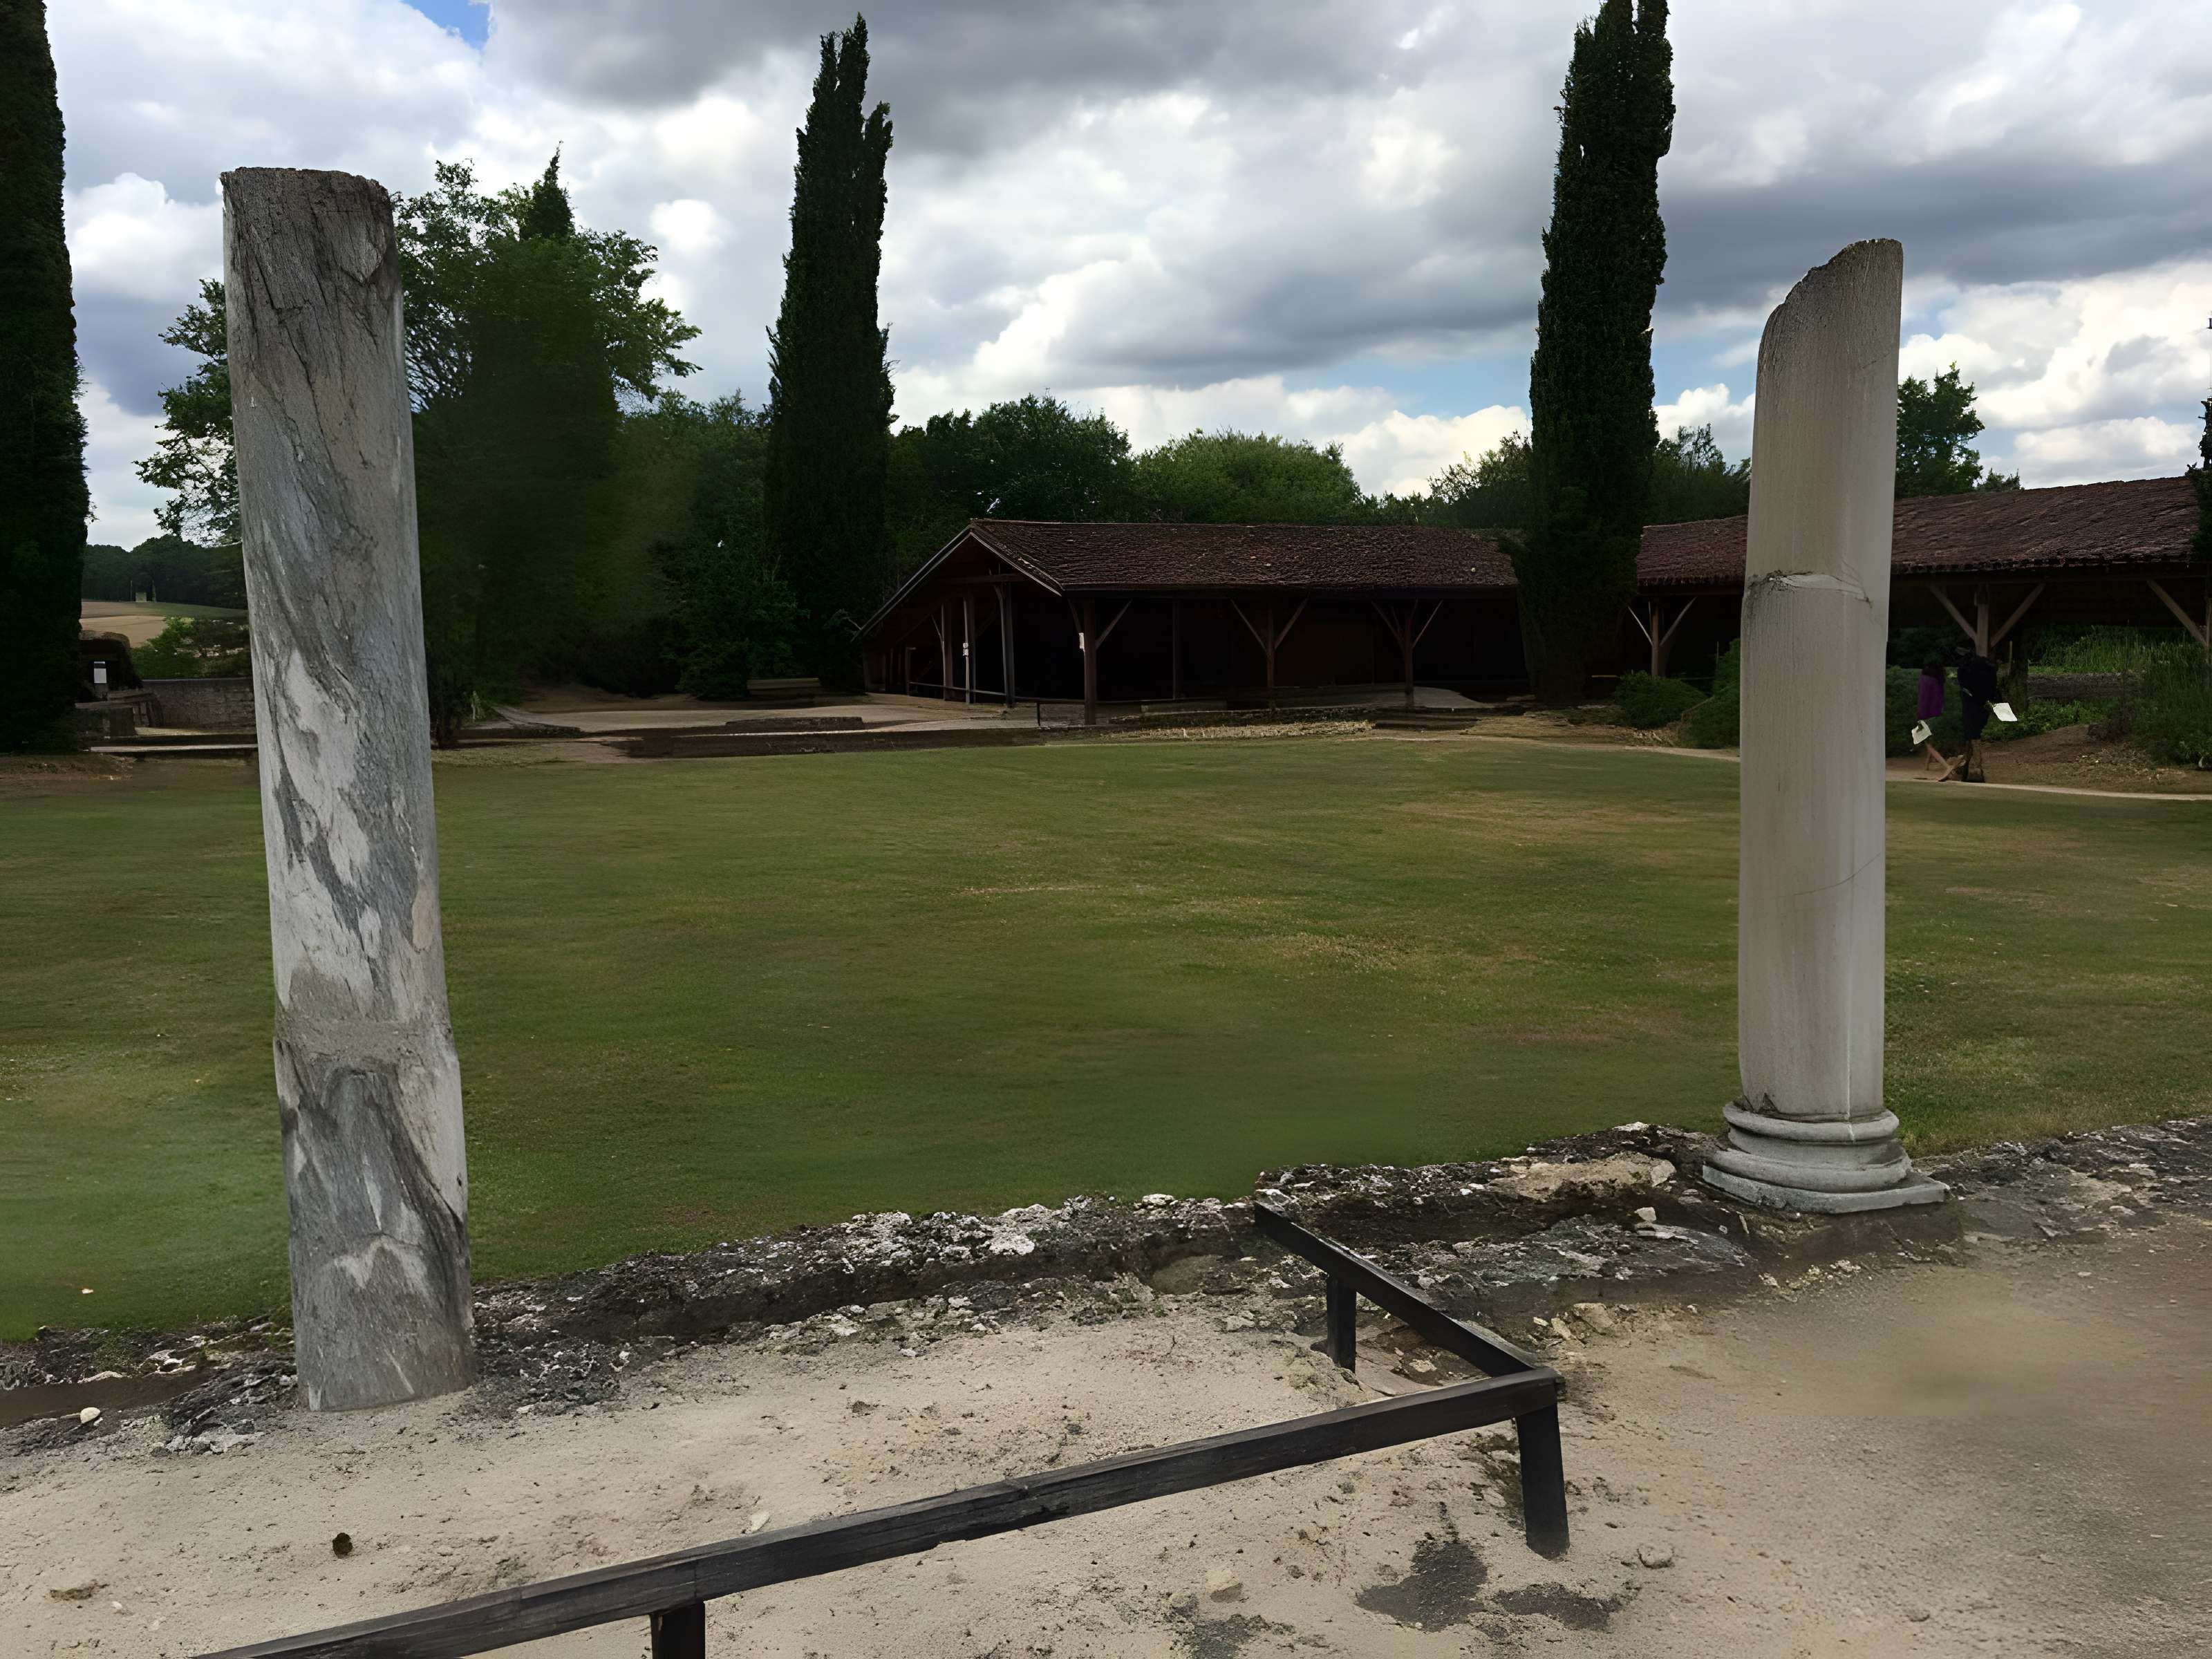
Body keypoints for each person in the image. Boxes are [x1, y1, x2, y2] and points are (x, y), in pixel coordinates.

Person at [1955, 650, 1999, 782]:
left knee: (1973, 738)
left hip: (1972, 709)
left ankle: (1973, 771)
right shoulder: (1988, 672)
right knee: (1976, 738)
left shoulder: (1966, 671)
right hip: (1983, 708)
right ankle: (1974, 770)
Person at [1915, 661, 1957, 778]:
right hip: (1937, 714)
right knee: (1929, 740)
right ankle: (1926, 766)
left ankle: (1947, 766)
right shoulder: (1938, 682)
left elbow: (1922, 701)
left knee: (1928, 743)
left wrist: (1920, 717)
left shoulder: (1924, 681)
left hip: (1925, 715)